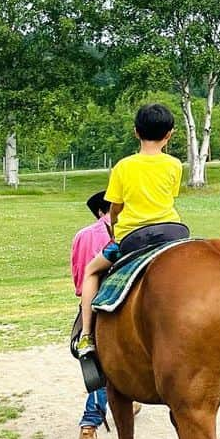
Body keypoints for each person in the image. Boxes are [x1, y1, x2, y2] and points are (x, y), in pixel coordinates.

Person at [76, 103, 189, 360]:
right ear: (169, 134)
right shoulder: (174, 164)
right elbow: (168, 197)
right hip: (173, 233)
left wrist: (115, 230)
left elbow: (115, 209)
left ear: (136, 132)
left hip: (134, 238)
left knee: (92, 271)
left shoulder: (123, 167)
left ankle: (86, 336)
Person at [71, 190, 113, 439]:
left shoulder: (81, 236)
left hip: (91, 300)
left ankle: (89, 428)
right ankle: (90, 421)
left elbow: (79, 278)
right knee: (104, 362)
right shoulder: (123, 232)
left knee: (92, 354)